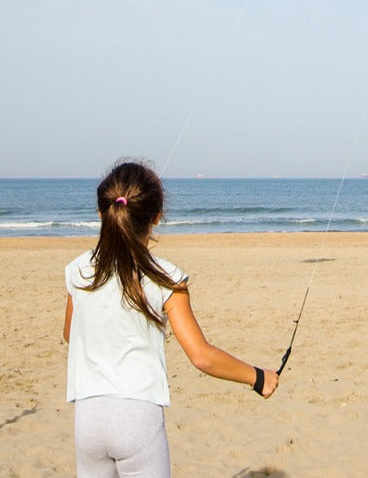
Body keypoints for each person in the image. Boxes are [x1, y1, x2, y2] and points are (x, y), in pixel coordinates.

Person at [64, 159, 278, 477]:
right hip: (137, 418)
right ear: (157, 217)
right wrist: (258, 377)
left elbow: (70, 334)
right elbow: (201, 356)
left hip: (88, 418)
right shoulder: (167, 277)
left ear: (101, 214)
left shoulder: (78, 270)